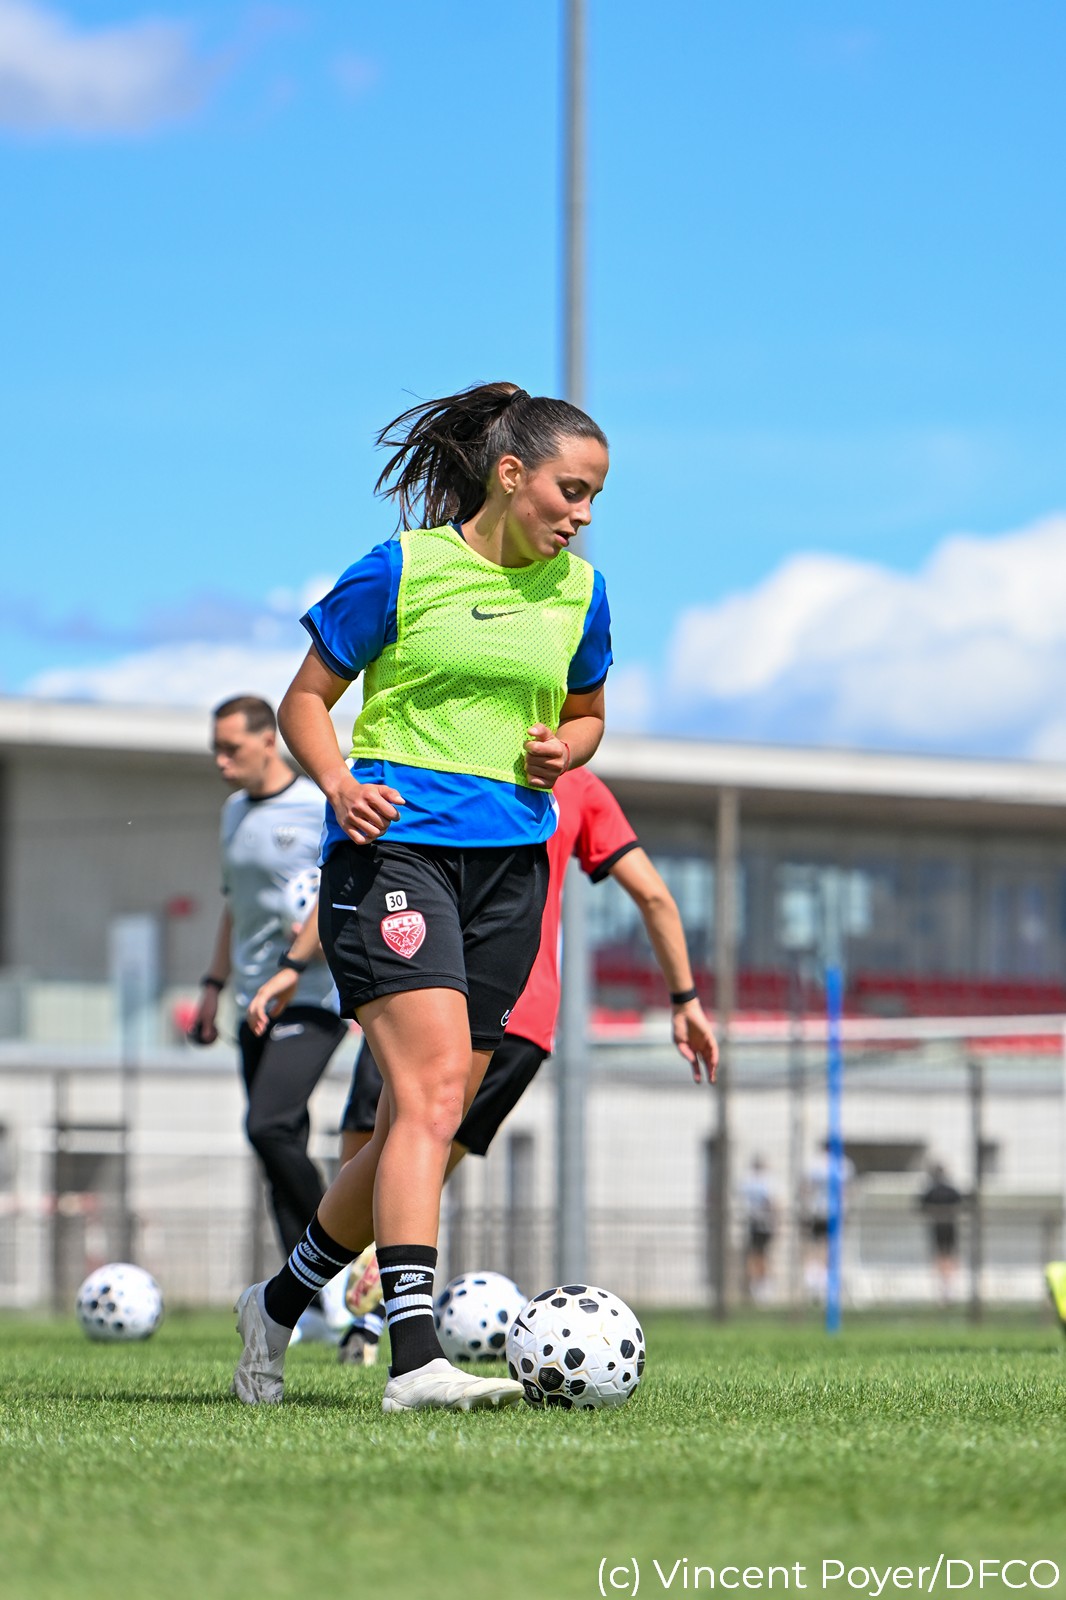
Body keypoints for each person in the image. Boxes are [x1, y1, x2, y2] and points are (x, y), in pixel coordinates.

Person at [231, 381, 613, 1413]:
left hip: (513, 868)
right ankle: (413, 1361)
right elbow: (304, 700)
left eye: (594, 498)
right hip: (396, 852)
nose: (581, 515)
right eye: (569, 491)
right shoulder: (402, 567)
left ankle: (276, 1304)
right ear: (511, 474)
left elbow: (588, 714)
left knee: (428, 1121)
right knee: (433, 1096)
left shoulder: (582, 592)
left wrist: (565, 749)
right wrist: (337, 782)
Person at [247, 765, 719, 1362]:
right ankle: (363, 1326)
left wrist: (293, 963)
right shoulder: (573, 784)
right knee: (408, 1160)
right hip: (514, 1013)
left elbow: (369, 860)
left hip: (419, 988)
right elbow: (652, 894)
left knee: (391, 1157)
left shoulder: (440, 763)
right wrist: (685, 999)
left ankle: (332, 1314)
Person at [190, 695, 349, 1342]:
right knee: (277, 1149)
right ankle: (316, 1306)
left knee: (269, 1124)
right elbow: (236, 906)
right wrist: (213, 986)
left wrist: (291, 966)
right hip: (251, 1001)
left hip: (310, 995)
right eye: (216, 749)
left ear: (267, 741)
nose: (221, 761)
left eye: (231, 748)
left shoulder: (316, 805)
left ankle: (346, 1255)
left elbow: (335, 893)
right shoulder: (233, 813)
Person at [919, 1162, 964, 1306]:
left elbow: (921, 1207)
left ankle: (943, 1291)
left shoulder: (932, 1190)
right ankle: (948, 1290)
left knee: (941, 1258)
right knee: (948, 1258)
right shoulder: (950, 1190)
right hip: (949, 1225)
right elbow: (961, 1204)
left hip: (939, 1226)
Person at [739, 1155, 777, 1304]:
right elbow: (772, 1203)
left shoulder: (747, 1182)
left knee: (754, 1254)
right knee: (763, 1255)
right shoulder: (766, 1182)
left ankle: (755, 1285)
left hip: (752, 1221)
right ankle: (762, 1286)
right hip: (764, 1222)